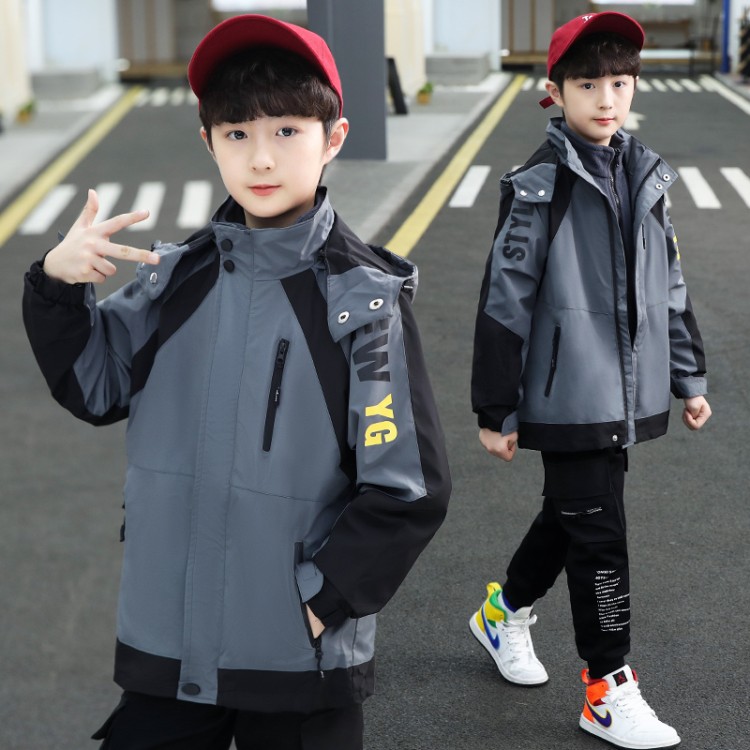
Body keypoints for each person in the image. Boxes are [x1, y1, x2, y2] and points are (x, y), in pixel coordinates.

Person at [22, 14, 450, 750]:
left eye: (287, 131)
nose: (261, 157)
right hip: (168, 641)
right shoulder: (175, 280)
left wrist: (318, 602)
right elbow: (94, 385)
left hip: (298, 661)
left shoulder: (363, 302)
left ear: (333, 138)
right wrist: (58, 287)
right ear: (209, 143)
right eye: (237, 133)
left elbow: (407, 487)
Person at [469, 12, 710, 750]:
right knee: (601, 535)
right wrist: (496, 407)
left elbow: (669, 283)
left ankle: (501, 614)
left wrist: (688, 374)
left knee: (571, 516)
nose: (607, 99)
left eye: (620, 83)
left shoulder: (646, 174)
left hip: (622, 391)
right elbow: (503, 299)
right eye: (588, 85)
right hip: (567, 390)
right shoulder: (539, 185)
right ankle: (607, 687)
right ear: (556, 92)